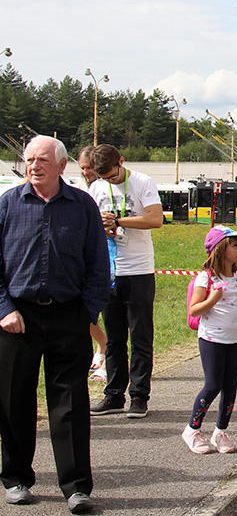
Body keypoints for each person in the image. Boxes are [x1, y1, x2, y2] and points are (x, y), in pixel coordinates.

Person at [0, 136, 108, 514]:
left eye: (42, 159)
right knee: (14, 400)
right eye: (29, 159)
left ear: (62, 166)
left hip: (68, 315)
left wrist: (86, 314)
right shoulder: (8, 204)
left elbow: (98, 265)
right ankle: (16, 479)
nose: (34, 166)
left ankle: (76, 487)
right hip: (17, 318)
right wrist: (4, 309)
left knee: (70, 404)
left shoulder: (82, 206)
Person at [86, 145, 163, 419]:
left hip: (138, 270)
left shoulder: (142, 182)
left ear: (121, 161)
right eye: (103, 177)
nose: (109, 180)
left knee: (140, 336)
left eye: (112, 175)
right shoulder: (96, 188)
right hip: (108, 271)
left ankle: (139, 396)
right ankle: (114, 394)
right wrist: (101, 225)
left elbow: (156, 219)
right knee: (114, 337)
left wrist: (119, 220)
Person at [182, 226, 237, 454]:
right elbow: (194, 309)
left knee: (230, 388)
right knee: (212, 385)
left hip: (236, 341)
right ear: (219, 250)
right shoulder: (205, 279)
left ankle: (220, 431)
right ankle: (192, 429)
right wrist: (213, 298)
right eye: (234, 245)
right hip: (212, 340)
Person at [76, 147, 108, 383]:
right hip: (82, 258)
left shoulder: (106, 188)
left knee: (99, 313)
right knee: (85, 314)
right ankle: (102, 347)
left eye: (89, 168)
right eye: (82, 168)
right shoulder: (80, 189)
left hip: (107, 259)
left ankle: (105, 354)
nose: (86, 172)